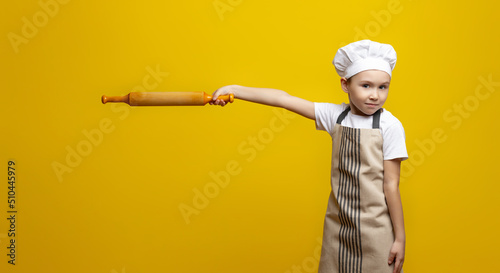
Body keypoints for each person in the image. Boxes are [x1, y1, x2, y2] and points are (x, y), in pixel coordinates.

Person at [210, 40, 408, 273]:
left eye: (382, 87)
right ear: (345, 84)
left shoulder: (390, 126)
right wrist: (235, 90)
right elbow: (283, 99)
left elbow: (391, 185)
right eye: (366, 86)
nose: (375, 95)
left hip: (378, 229)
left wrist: (399, 238)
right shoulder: (334, 116)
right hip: (339, 225)